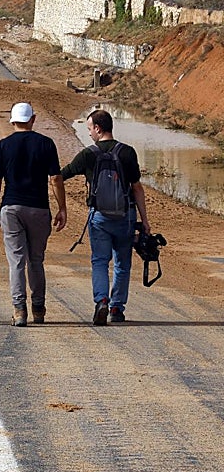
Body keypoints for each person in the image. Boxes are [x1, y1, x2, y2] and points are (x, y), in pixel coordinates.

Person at [60, 108, 150, 325]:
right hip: (125, 216)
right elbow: (137, 188)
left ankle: (101, 300)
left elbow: (61, 176)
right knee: (122, 263)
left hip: (99, 217)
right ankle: (117, 308)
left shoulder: (88, 154)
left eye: (90, 128)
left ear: (98, 129)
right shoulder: (128, 152)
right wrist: (144, 220)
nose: (89, 133)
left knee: (100, 261)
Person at [0, 102, 68, 327]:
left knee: (16, 262)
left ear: (12, 121)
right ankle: (39, 308)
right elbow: (55, 179)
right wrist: (62, 208)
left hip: (11, 208)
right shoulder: (46, 144)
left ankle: (19, 309)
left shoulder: (3, 146)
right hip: (39, 208)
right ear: (32, 119)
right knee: (36, 260)